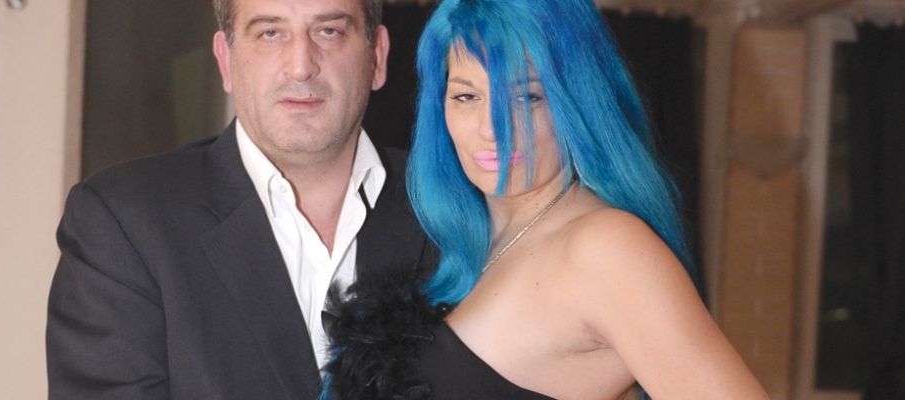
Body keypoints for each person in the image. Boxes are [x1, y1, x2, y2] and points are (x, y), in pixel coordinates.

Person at [322, 0, 771, 399]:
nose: (492, 128)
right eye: (466, 96)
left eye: (527, 97)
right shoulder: (463, 243)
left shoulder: (607, 248)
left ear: (576, 100)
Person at [46, 0, 436, 398]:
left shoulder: (453, 212)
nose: (301, 66)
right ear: (226, 61)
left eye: (329, 31)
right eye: (270, 33)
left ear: (377, 56)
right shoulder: (124, 224)